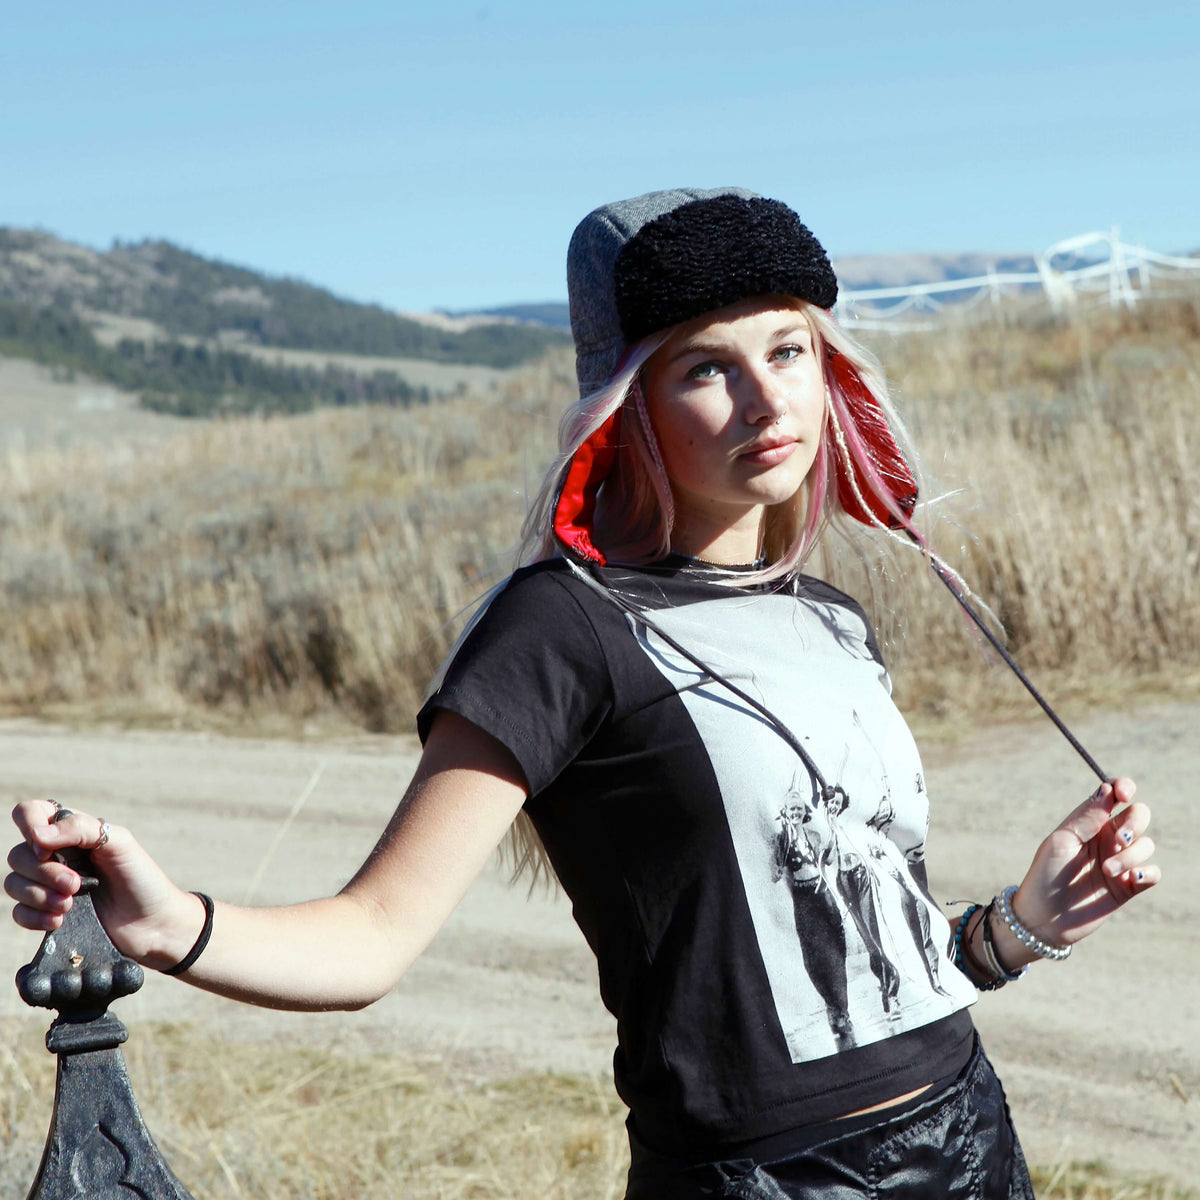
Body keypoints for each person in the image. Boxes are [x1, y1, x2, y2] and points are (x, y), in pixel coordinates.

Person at [5, 188, 1160, 1199]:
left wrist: (1018, 927)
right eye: (708, 367)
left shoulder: (829, 617)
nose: (768, 401)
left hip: (968, 1136)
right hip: (760, 1179)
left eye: (789, 351)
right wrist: (168, 924)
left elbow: (857, 964)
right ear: (629, 404)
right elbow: (368, 942)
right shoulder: (558, 630)